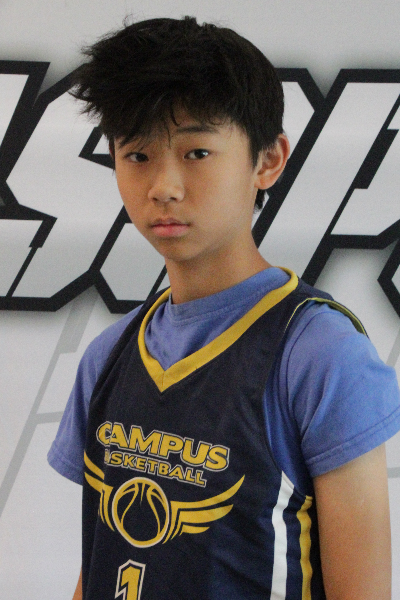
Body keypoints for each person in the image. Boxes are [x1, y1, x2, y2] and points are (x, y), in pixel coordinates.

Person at [48, 16, 400, 600]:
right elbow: (100, 560)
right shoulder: (109, 355)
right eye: (137, 155)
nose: (164, 186)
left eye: (197, 152)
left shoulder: (319, 353)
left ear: (268, 160)